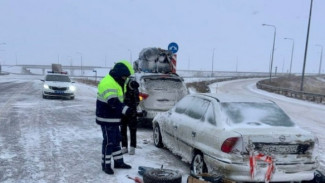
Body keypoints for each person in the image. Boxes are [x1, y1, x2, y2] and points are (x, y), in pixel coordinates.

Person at [95, 60, 135, 175]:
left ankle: (118, 162)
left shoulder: (117, 81)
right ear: (118, 74)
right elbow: (114, 102)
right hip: (106, 118)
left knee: (117, 140)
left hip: (114, 117)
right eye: (124, 76)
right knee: (108, 142)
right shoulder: (107, 83)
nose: (125, 79)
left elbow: (122, 98)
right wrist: (127, 111)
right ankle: (106, 165)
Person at [121, 79, 140, 155]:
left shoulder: (135, 88)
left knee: (132, 129)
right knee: (123, 129)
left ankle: (132, 147)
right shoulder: (124, 86)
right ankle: (124, 147)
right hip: (123, 111)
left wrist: (133, 108)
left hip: (132, 112)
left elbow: (137, 101)